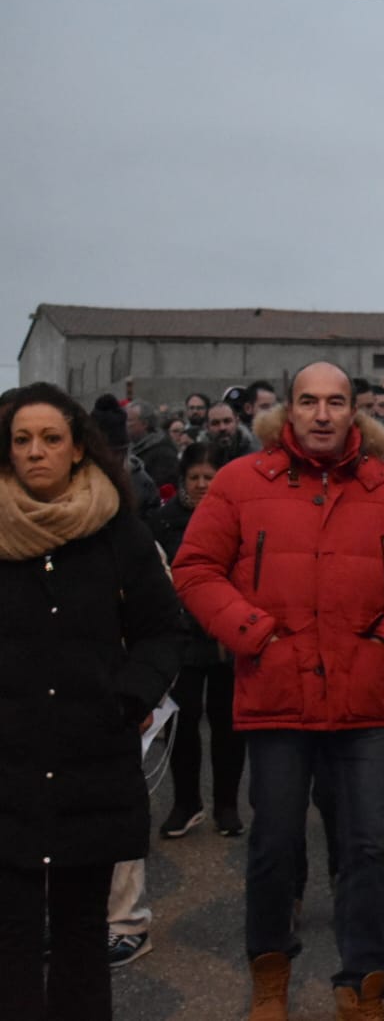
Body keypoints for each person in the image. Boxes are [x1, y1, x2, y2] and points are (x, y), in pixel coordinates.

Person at [173, 361, 384, 1021]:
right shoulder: (243, 482)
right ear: (288, 412)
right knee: (274, 844)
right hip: (276, 694)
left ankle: (362, 983)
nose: (323, 414)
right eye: (309, 402)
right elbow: (195, 568)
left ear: (355, 411)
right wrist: (256, 636)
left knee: (362, 846)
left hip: (366, 698)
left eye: (336, 402)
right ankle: (269, 975)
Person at [0, 383, 182, 1021]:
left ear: (78, 448)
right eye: (22, 440)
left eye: (51, 439)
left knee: (81, 938)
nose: (36, 452)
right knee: (11, 939)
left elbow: (164, 629)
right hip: (9, 764)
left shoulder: (116, 532)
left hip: (91, 759)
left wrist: (128, 697)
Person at [148, 442, 247, 840]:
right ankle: (186, 802)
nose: (203, 485)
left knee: (228, 723)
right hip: (182, 637)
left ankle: (227, 804)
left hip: (224, 634)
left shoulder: (236, 514)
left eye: (210, 477)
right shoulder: (162, 521)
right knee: (181, 723)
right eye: (195, 478)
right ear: (182, 480)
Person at [125, 399, 180, 489]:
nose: (125, 424)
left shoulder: (163, 452)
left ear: (144, 424)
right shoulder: (129, 448)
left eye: (129, 420)